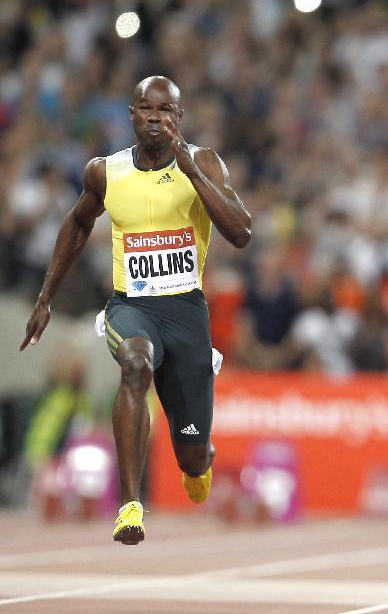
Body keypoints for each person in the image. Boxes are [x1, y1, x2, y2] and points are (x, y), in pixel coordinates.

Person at [20, 76, 252, 544]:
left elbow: (241, 232)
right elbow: (78, 222)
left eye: (166, 111)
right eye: (146, 108)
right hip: (132, 306)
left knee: (191, 454)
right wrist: (46, 296)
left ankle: (196, 459)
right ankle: (129, 505)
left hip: (186, 312)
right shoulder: (104, 172)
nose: (155, 117)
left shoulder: (203, 161)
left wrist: (193, 172)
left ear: (179, 119)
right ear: (131, 114)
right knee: (134, 363)